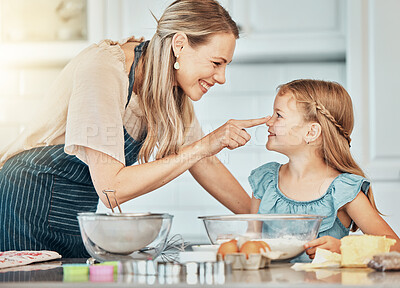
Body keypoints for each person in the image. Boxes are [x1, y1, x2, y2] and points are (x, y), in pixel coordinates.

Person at [0, 0, 267, 257]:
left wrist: (263, 221)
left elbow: (204, 162)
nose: (221, 78)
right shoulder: (105, 67)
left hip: (75, 210)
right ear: (180, 44)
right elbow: (111, 190)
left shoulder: (169, 87)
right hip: (26, 201)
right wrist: (203, 146)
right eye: (216, 63)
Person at [248, 79, 400, 262]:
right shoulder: (265, 180)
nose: (268, 121)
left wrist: (344, 249)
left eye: (278, 115)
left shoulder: (343, 189)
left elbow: (395, 247)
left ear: (311, 132)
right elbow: (251, 242)